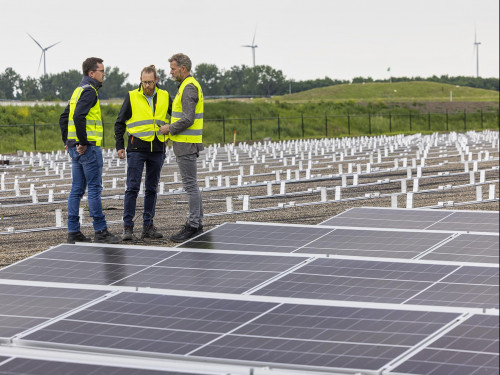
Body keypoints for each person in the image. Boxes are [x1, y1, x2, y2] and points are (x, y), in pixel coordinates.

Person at [59, 57, 120, 244]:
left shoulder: (78, 91)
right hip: (88, 148)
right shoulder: (90, 91)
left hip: (74, 148)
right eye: (102, 71)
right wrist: (83, 141)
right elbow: (78, 116)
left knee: (76, 189)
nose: (104, 75)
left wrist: (68, 141)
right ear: (91, 73)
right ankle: (100, 231)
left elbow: (64, 118)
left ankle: (73, 231)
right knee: (94, 189)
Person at [115, 65, 172, 240]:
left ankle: (148, 226)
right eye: (144, 82)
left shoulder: (165, 96)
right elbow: (119, 122)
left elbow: (177, 116)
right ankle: (128, 227)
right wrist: (120, 146)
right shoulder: (132, 96)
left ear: (156, 80)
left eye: (150, 82)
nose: (147, 85)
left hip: (157, 148)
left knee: (152, 189)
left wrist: (171, 128)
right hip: (136, 149)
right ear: (140, 80)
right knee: (132, 188)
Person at [159, 53, 204, 242]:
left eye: (173, 68)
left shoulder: (188, 88)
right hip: (185, 143)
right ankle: (196, 223)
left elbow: (188, 118)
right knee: (192, 185)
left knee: (190, 185)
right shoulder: (187, 86)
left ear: (183, 69)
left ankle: (193, 225)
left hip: (186, 144)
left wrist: (170, 128)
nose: (170, 72)